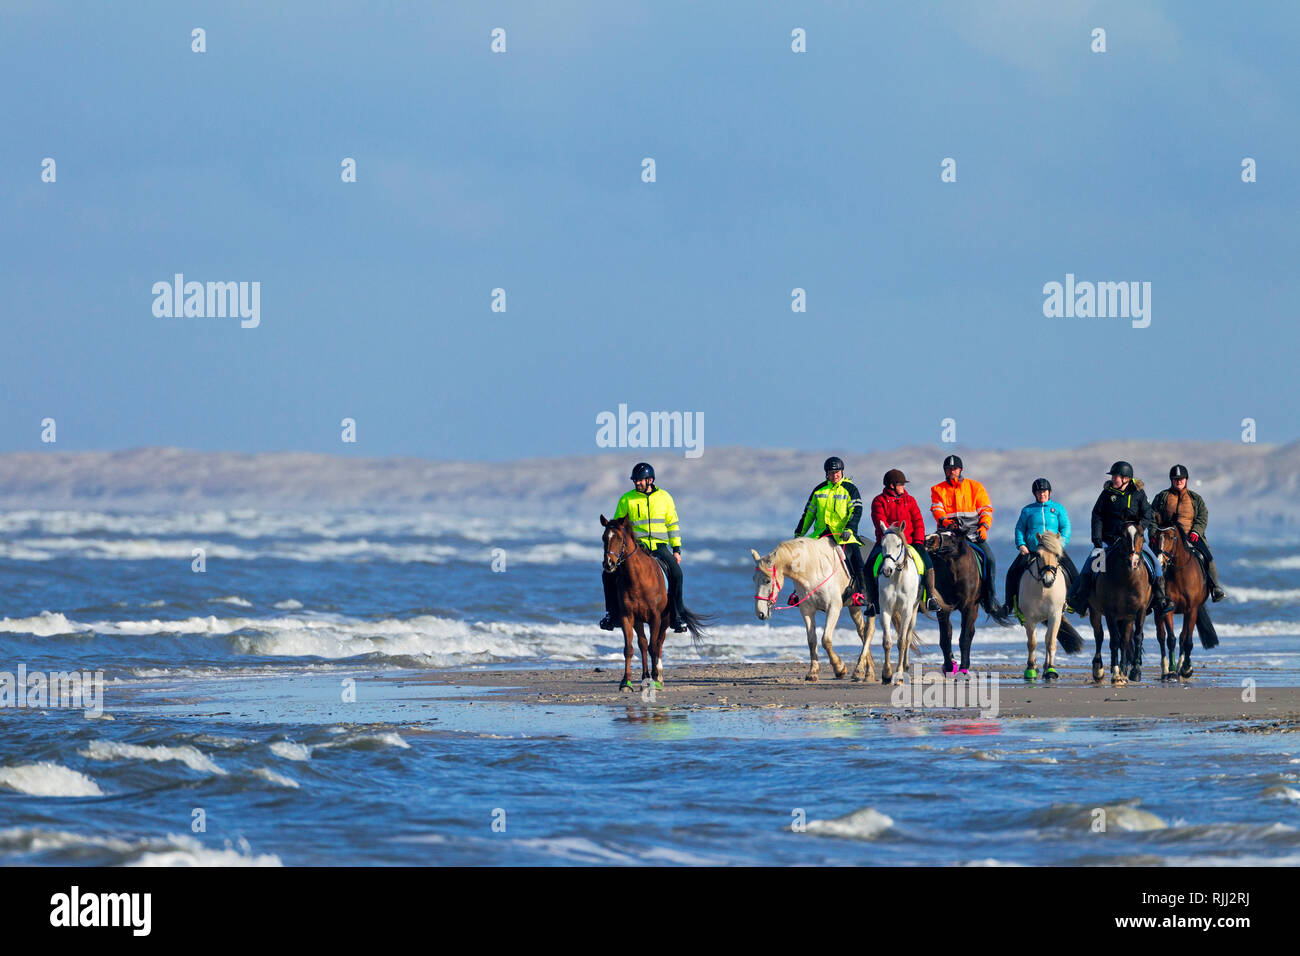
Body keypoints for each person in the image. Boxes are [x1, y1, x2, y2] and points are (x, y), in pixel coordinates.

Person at [1065, 460, 1172, 615]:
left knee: (1155, 564)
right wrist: (1096, 538)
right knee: (1091, 563)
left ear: (1126, 478)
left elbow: (1147, 514)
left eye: (1116, 476)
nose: (1113, 478)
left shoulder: (1138, 493)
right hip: (1109, 540)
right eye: (1113, 476)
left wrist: (1139, 528)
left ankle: (1161, 599)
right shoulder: (1107, 494)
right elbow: (1097, 515)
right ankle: (1078, 598)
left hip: (1134, 542)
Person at [599, 462, 688, 632]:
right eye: (635, 481)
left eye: (640, 480)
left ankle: (677, 617)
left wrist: (676, 549)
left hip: (659, 546)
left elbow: (672, 525)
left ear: (650, 480)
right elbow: (618, 525)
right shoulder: (627, 499)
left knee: (677, 574)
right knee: (608, 575)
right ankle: (612, 615)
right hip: (636, 547)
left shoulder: (665, 498)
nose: (637, 483)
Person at [929, 454, 1004, 619]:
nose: (952, 471)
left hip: (971, 533)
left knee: (990, 558)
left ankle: (990, 597)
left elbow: (985, 509)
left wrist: (984, 527)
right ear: (945, 471)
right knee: (928, 555)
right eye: (948, 469)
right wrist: (945, 521)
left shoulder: (975, 487)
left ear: (960, 469)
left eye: (954, 468)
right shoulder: (937, 489)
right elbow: (936, 508)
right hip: (948, 533)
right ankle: (927, 596)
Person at [863, 469, 944, 613]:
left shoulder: (910, 500)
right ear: (892, 485)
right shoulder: (879, 501)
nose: (904, 487)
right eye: (901, 484)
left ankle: (931, 598)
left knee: (928, 563)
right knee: (868, 568)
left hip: (911, 542)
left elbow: (918, 521)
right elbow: (879, 521)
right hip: (887, 543)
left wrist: (918, 541)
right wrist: (890, 539)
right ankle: (873, 603)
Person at [1001, 478, 1080, 617]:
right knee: (1012, 572)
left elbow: (1066, 527)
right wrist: (1021, 545)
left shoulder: (1058, 509)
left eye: (1044, 491)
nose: (1042, 494)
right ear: (1035, 494)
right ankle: (1009, 605)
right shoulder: (1027, 510)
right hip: (1032, 550)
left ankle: (1077, 603)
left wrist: (1060, 544)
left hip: (1054, 550)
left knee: (1073, 572)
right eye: (1038, 492)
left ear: (1049, 492)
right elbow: (1019, 528)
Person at [794, 456, 867, 606]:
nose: (835, 475)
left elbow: (856, 510)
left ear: (842, 472)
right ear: (826, 473)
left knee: (855, 557)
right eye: (831, 473)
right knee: (800, 555)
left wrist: (850, 529)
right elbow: (808, 514)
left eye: (837, 472)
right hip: (820, 534)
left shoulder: (850, 489)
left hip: (843, 535)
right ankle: (797, 592)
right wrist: (799, 534)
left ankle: (862, 592)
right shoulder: (819, 490)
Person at [1149, 464, 1226, 602]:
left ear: (1186, 480)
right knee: (1151, 561)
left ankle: (1215, 588)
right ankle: (1149, 595)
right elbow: (1151, 516)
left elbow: (1202, 517)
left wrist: (1196, 531)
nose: (1179, 481)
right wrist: (1154, 534)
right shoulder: (1161, 497)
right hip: (1166, 537)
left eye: (1181, 479)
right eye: (1176, 479)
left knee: (1208, 559)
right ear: (1171, 480)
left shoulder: (1195, 498)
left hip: (1191, 536)